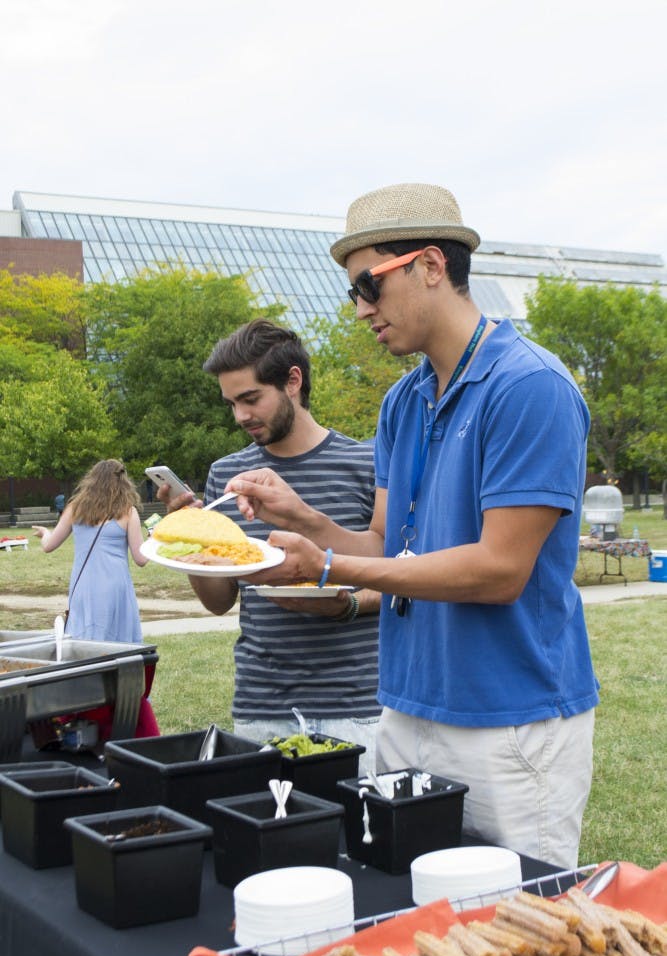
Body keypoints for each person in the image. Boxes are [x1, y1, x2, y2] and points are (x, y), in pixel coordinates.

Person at [220, 183, 600, 870]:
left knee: (516, 938)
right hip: (403, 708)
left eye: (369, 285)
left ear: (429, 265)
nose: (362, 308)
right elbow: (386, 547)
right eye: (351, 293)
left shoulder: (529, 386)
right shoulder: (402, 400)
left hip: (509, 721)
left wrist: (326, 567)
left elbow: (496, 571)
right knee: (407, 908)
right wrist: (299, 516)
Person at [160, 319, 381, 766]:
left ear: (293, 381)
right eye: (232, 403)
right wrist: (187, 539)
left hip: (358, 708)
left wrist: (348, 604)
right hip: (262, 707)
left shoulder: (365, 464)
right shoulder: (228, 476)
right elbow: (219, 600)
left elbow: (400, 576)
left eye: (251, 398)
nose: (241, 415)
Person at [32, 459, 159, 741]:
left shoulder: (75, 508)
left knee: (84, 644)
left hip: (84, 588)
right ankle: (119, 705)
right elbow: (140, 559)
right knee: (118, 648)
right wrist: (156, 538)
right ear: (123, 481)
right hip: (116, 589)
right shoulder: (128, 512)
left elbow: (50, 546)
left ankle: (82, 708)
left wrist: (44, 534)